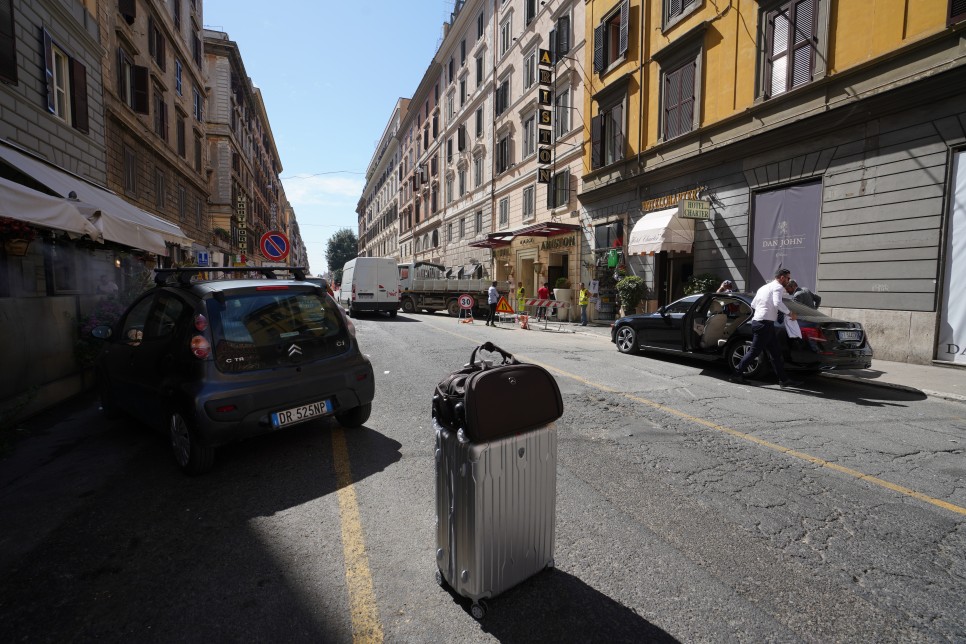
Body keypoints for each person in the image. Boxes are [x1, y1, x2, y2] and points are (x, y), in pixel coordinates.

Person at [730, 268, 803, 389]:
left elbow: (753, 304)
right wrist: (790, 313)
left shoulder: (763, 288)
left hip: (762, 323)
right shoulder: (778, 287)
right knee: (754, 351)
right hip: (763, 324)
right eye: (788, 278)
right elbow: (777, 303)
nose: (789, 281)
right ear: (781, 277)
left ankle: (784, 380)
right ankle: (736, 374)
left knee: (775, 353)